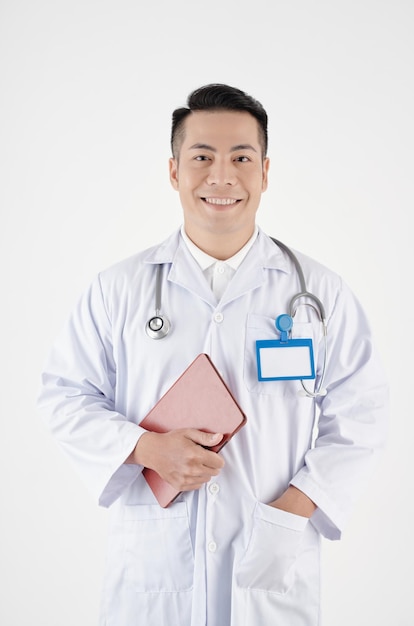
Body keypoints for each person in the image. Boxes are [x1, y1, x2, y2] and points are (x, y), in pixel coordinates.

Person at [37, 83, 389, 626]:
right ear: (175, 171)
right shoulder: (119, 289)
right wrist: (147, 450)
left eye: (241, 158)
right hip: (156, 566)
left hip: (272, 552)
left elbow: (361, 415)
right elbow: (63, 396)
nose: (220, 176)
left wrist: (293, 511)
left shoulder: (320, 293)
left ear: (265, 173)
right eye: (201, 157)